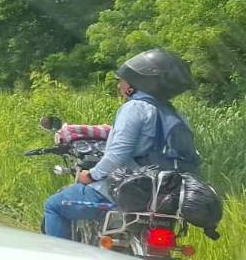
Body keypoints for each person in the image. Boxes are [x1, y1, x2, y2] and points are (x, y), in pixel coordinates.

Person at [42, 49, 198, 240]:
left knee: (53, 206)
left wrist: (91, 175)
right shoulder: (176, 115)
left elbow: (117, 155)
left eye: (122, 80)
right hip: (165, 199)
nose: (119, 85)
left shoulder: (135, 108)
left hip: (124, 195)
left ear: (136, 84)